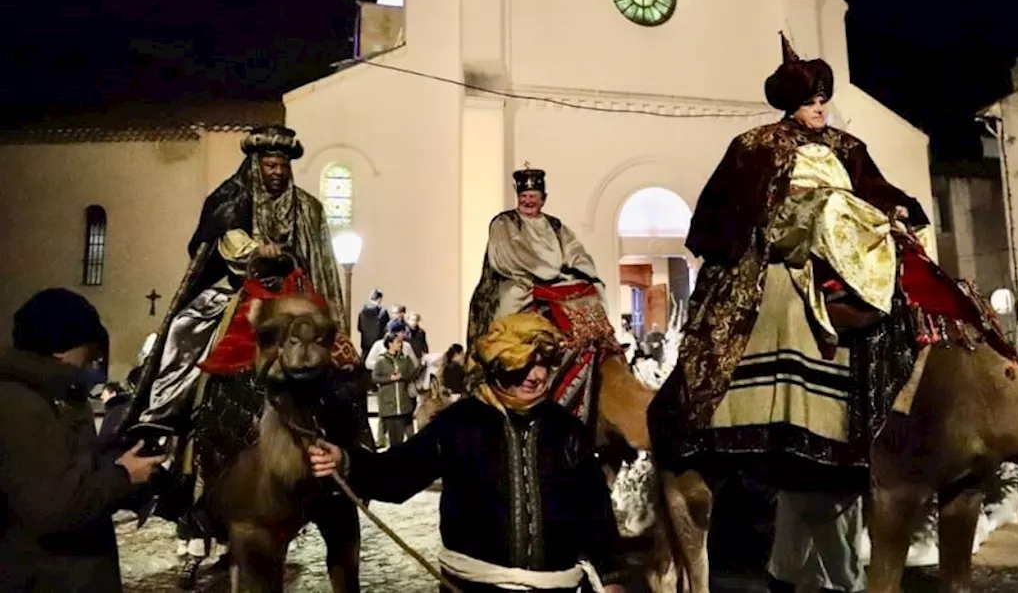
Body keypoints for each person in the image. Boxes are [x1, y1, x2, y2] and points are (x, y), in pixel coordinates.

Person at [649, 33, 931, 593]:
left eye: (823, 99)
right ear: (790, 104)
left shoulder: (847, 147)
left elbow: (874, 187)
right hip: (780, 247)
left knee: (890, 284)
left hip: (844, 249)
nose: (819, 110)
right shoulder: (755, 145)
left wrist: (892, 209)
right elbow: (723, 205)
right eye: (809, 101)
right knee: (770, 291)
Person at [307, 313, 628, 593]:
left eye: (544, 364)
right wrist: (344, 460)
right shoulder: (459, 424)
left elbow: (595, 509)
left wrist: (611, 576)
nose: (538, 376)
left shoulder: (566, 430)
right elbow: (397, 473)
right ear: (500, 363)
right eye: (526, 364)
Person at [125, 125, 347, 449]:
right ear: (257, 166)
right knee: (186, 326)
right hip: (243, 289)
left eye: (284, 166)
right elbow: (226, 240)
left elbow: (321, 262)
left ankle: (347, 439)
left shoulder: (309, 208)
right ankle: (165, 413)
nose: (278, 172)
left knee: (342, 363)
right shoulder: (230, 197)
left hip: (297, 293)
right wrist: (255, 250)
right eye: (271, 166)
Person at [0, 289, 166, 592]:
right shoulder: (22, 405)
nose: (90, 365)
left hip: (68, 574)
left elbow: (72, 473)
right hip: (47, 578)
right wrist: (123, 476)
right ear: (61, 349)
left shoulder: (52, 396)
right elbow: (57, 506)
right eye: (87, 353)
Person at [467, 164, 624, 420]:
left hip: (557, 280)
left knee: (589, 293)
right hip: (520, 279)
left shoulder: (555, 225)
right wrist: (547, 273)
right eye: (524, 197)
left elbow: (576, 252)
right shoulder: (505, 222)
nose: (528, 202)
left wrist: (579, 272)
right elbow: (508, 255)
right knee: (510, 299)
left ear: (543, 199)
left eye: (533, 198)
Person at [373, 333, 420, 447]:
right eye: (397, 342)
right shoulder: (381, 360)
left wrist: (402, 376)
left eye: (401, 342)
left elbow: (412, 373)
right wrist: (390, 378)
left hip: (405, 404)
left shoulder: (405, 359)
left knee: (411, 438)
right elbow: (375, 377)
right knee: (395, 441)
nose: (400, 344)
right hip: (390, 406)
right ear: (390, 344)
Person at [357, 289, 387, 360]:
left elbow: (359, 328)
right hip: (378, 345)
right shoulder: (383, 313)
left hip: (365, 345)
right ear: (379, 299)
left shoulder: (362, 312)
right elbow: (386, 329)